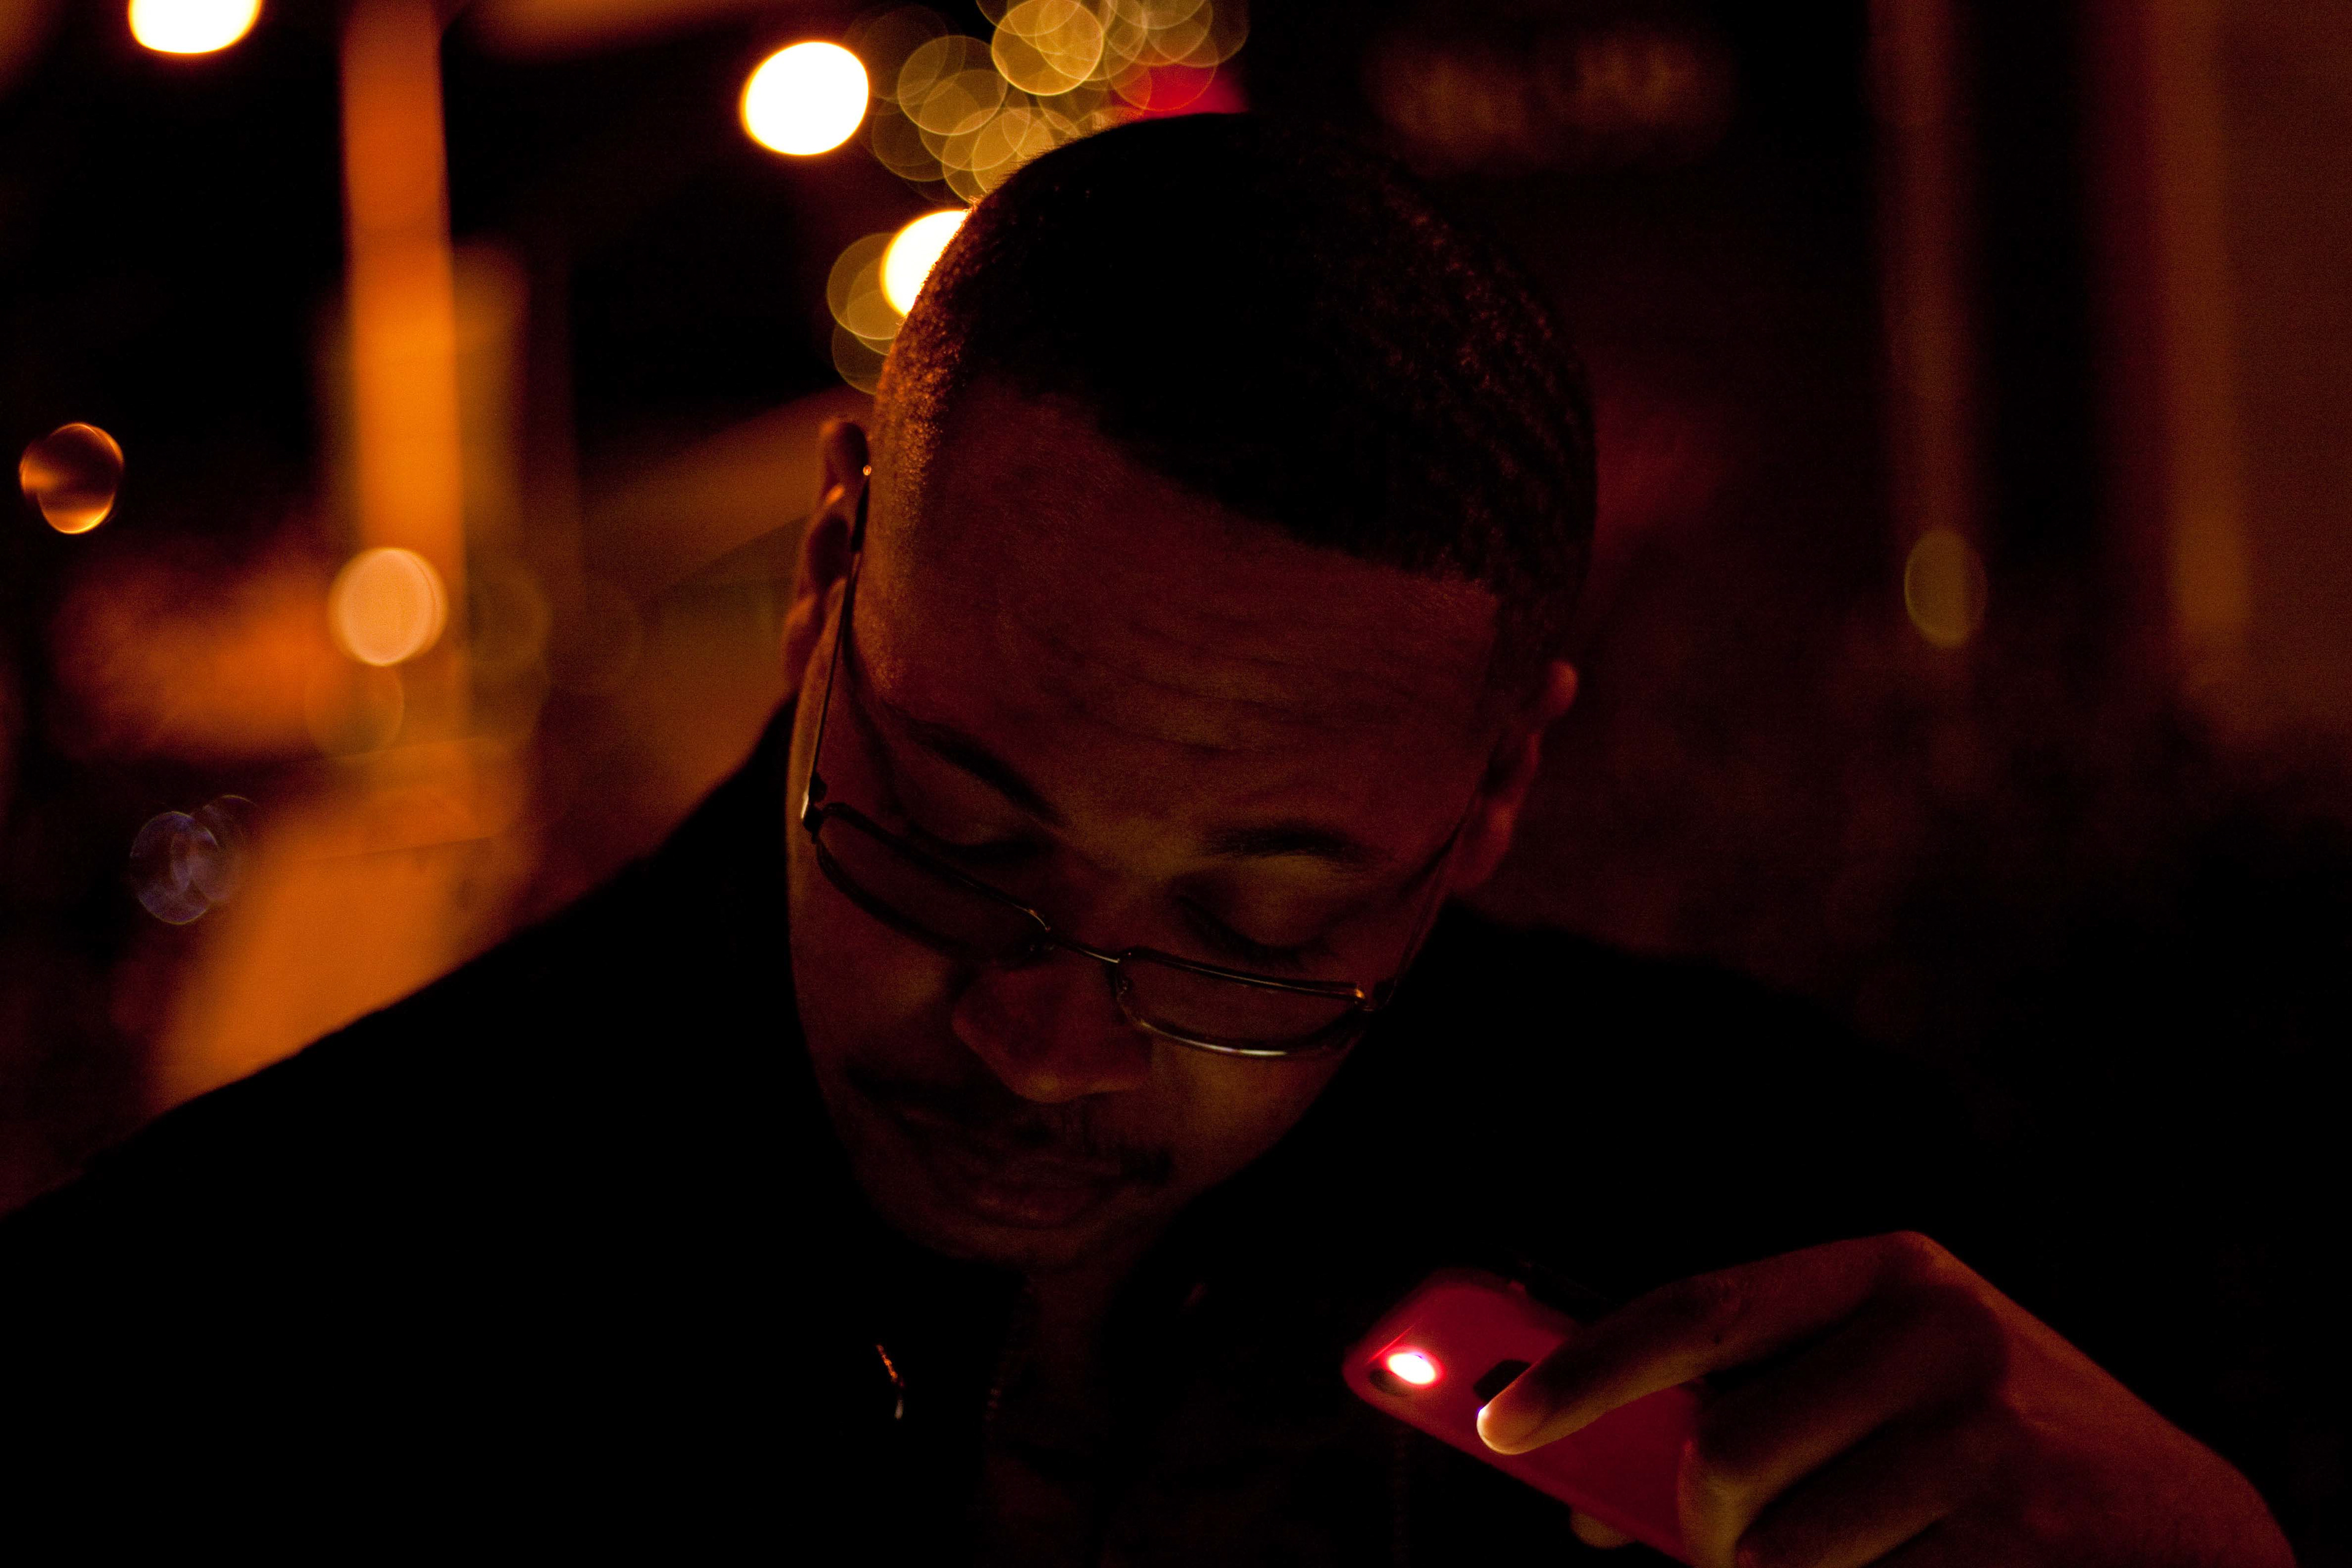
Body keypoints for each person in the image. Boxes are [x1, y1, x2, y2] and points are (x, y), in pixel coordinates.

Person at [0, 116, 2290, 1564]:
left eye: (1251, 931)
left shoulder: (1782, 1221)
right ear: (828, 570)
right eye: (954, 844)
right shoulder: (232, 1352)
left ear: (1499, 787)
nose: (1050, 1041)